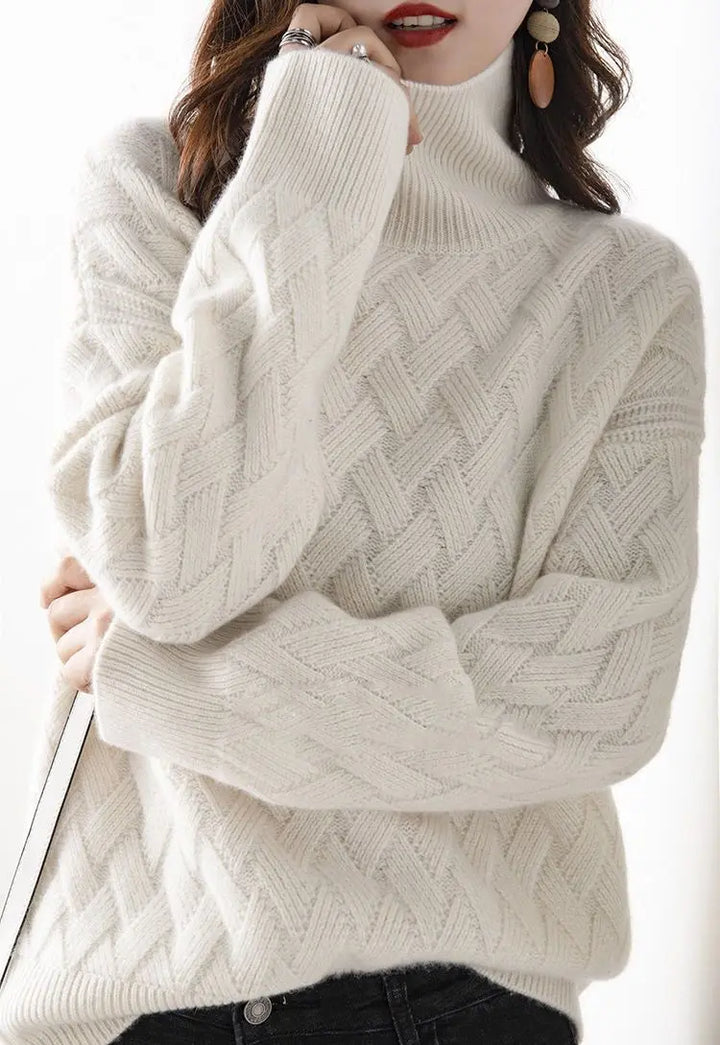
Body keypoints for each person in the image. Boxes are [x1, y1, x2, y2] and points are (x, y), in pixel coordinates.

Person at [0, 0, 706, 1042]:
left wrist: (176, 681)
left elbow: (592, 700)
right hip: (143, 1004)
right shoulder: (153, 193)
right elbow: (170, 567)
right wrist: (316, 162)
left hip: (456, 1007)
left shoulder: (626, 294)